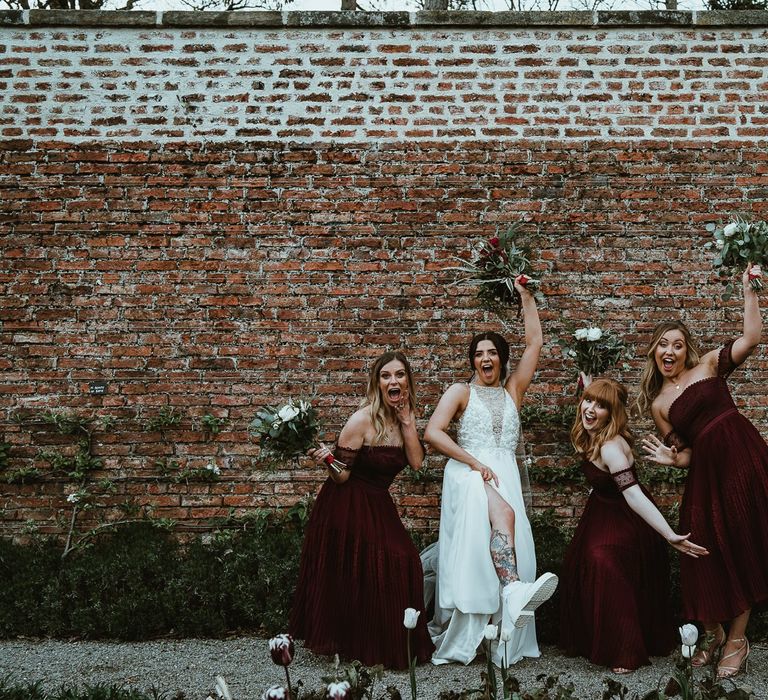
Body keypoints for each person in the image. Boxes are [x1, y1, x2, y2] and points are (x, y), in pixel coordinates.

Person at [639, 264, 768, 679]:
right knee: (700, 548)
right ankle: (713, 633)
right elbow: (688, 453)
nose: (670, 351)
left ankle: (737, 639)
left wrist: (749, 289)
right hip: (706, 474)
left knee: (743, 540)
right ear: (655, 353)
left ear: (687, 349)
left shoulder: (710, 364)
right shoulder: (659, 405)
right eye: (663, 345)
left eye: (677, 344)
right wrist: (672, 459)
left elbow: (751, 338)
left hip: (743, 458)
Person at [423, 277, 557, 668]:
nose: (485, 358)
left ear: (501, 358)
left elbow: (535, 344)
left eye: (492, 352)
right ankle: (509, 598)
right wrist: (474, 462)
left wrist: (527, 296)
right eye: (479, 353)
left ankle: (503, 634)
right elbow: (433, 432)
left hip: (504, 475)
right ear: (473, 361)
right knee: (502, 524)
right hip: (469, 474)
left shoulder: (513, 390)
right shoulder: (460, 392)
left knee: (508, 540)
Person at [288, 350, 434, 670]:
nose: (392, 380)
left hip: (378, 501)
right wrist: (327, 458)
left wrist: (409, 421)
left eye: (398, 374)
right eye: (385, 376)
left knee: (407, 560)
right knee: (372, 565)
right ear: (377, 383)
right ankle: (358, 643)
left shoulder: (403, 418)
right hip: (347, 503)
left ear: (407, 380)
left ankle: (391, 642)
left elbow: (417, 462)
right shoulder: (362, 419)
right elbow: (342, 476)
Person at [560, 376, 709, 674]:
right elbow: (594, 401)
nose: (590, 409)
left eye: (600, 406)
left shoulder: (611, 448)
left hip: (625, 519)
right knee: (581, 562)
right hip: (601, 512)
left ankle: (625, 648)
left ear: (612, 414)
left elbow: (632, 494)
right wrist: (591, 388)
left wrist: (668, 534)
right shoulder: (593, 433)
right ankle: (594, 639)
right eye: (587, 401)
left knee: (603, 563)